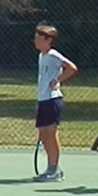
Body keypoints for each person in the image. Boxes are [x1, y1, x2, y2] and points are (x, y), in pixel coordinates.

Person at [32, 23, 78, 182]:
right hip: (43, 100)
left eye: (39, 38)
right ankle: (51, 168)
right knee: (44, 136)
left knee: (51, 135)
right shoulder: (42, 56)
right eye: (35, 38)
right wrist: (38, 101)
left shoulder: (53, 55)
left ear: (48, 40)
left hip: (53, 100)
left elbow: (72, 68)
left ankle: (54, 169)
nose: (36, 41)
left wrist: (58, 80)